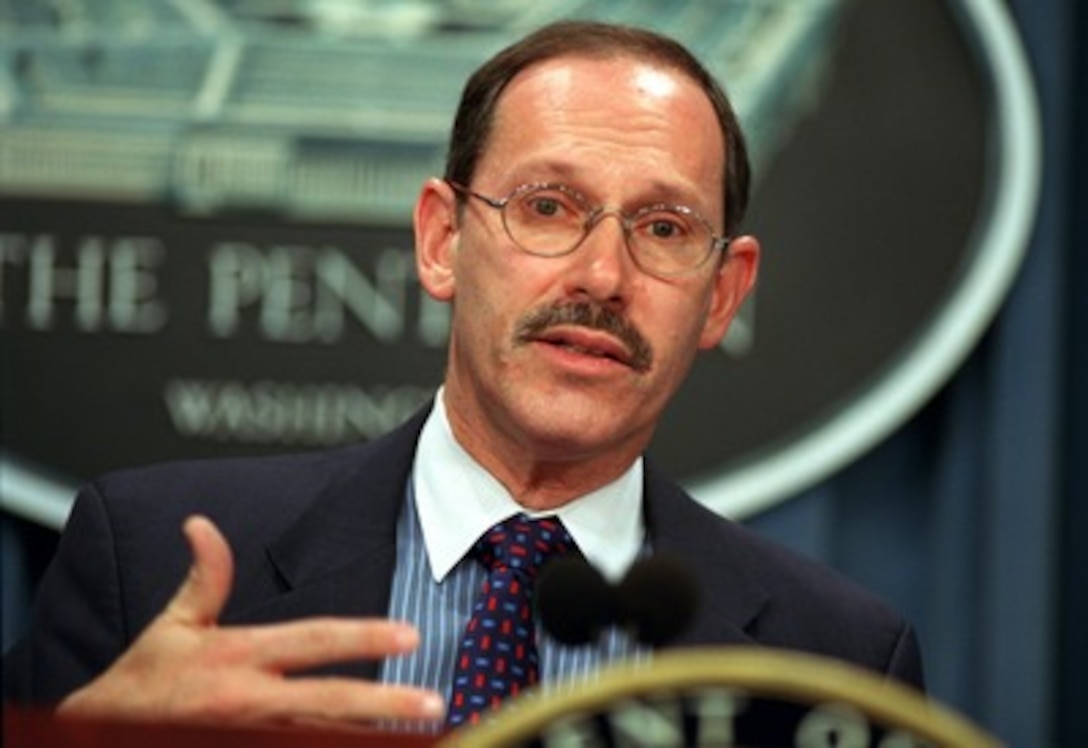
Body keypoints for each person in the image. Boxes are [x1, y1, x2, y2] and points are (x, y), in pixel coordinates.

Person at [3, 19, 923, 732]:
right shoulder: (149, 563)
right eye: (548, 206)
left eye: (665, 228)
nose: (602, 276)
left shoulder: (831, 662)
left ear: (722, 295)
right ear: (443, 241)